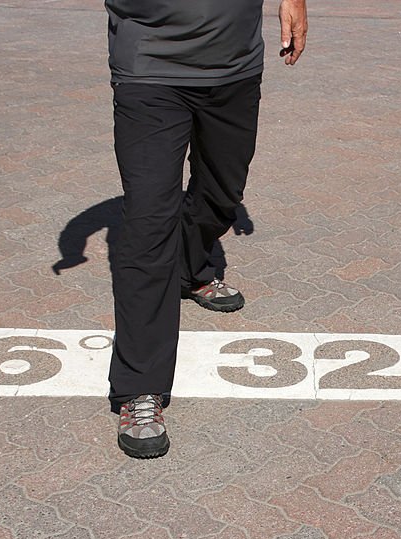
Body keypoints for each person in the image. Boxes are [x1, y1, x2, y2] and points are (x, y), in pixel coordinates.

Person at [104, 0, 308, 458]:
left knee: (222, 195)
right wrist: (72, 238)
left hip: (234, 65)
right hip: (150, 65)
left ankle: (191, 267)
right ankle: (140, 388)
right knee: (147, 227)